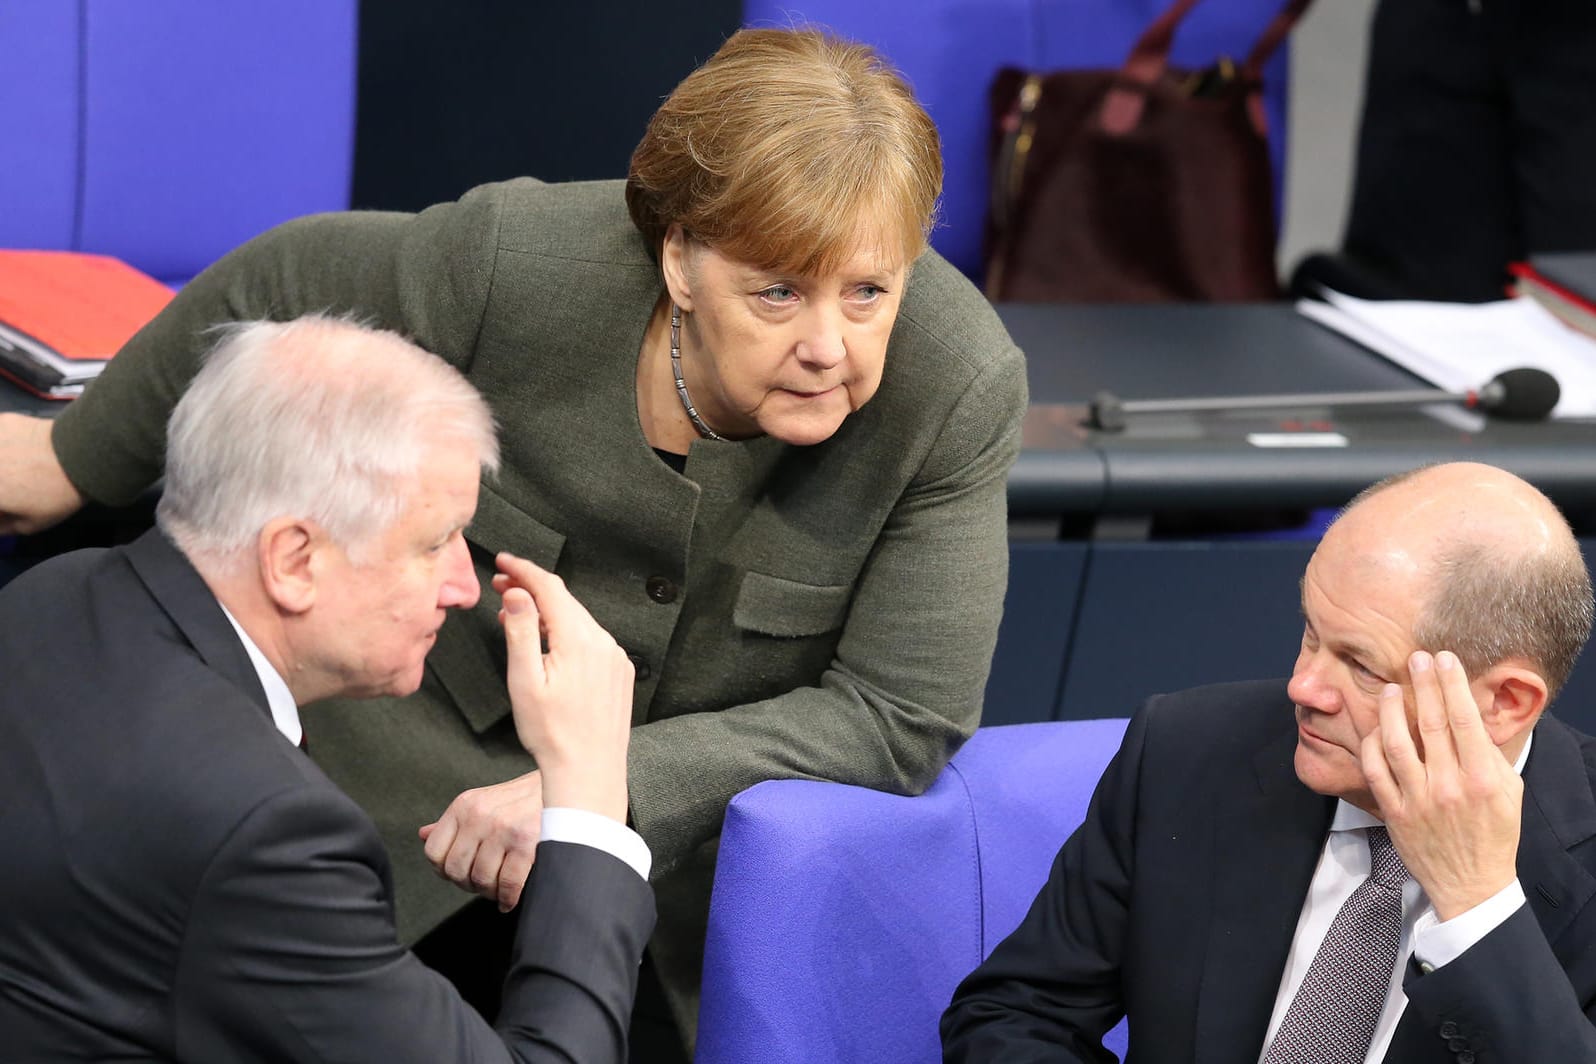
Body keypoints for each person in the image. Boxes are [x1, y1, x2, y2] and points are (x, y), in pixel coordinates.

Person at [0, 26, 1026, 1054]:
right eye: (776, 292)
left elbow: (899, 712)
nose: (826, 345)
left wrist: (603, 784)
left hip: (663, 886)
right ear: (679, 258)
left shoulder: (958, 383)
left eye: (869, 293)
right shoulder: (518, 262)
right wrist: (73, 462)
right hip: (384, 809)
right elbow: (277, 284)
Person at [0, 317, 655, 1061]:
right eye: (435, 542)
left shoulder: (53, 593)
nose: (461, 587)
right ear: (294, 560)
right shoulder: (264, 834)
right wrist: (592, 800)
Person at [942, 462, 1596, 1061]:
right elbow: (1018, 1014)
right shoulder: (1190, 749)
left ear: (1505, 702)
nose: (1303, 688)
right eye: (1311, 633)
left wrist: (1476, 904)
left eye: (1361, 665)